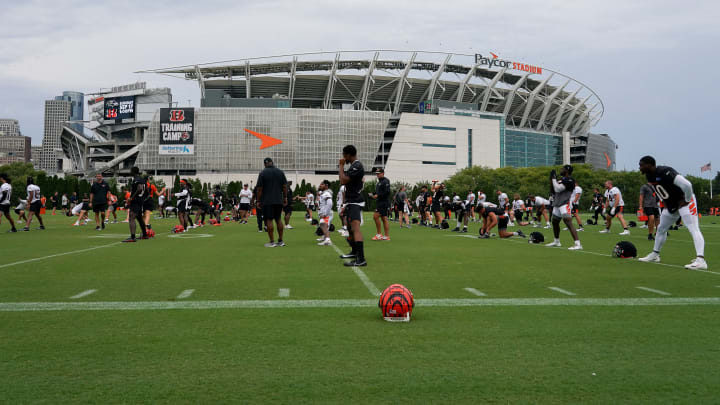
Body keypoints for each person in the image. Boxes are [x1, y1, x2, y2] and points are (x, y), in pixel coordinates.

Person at [638, 156, 707, 269]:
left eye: (641, 165)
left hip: (684, 201)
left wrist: (687, 199)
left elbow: (687, 185)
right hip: (671, 204)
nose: (640, 168)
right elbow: (660, 190)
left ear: (650, 165)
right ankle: (655, 254)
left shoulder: (665, 171)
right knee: (661, 229)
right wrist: (664, 202)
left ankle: (701, 260)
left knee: (693, 228)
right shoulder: (649, 176)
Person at [338, 145, 366, 266]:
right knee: (349, 228)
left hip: (355, 201)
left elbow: (343, 180)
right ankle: (354, 252)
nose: (344, 157)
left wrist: (341, 166)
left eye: (344, 155)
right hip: (350, 201)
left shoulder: (357, 166)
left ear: (349, 155)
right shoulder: (353, 166)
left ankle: (361, 259)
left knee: (355, 228)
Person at [544, 165, 583, 250]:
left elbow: (558, 189)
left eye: (563, 169)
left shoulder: (570, 180)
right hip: (557, 203)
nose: (561, 170)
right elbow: (553, 190)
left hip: (565, 203)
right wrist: (551, 179)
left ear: (567, 171)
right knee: (554, 222)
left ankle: (578, 244)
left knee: (568, 222)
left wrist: (554, 179)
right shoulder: (561, 180)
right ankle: (556, 241)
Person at [256, 157, 288, 247]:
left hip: (267, 200)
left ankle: (272, 241)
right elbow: (285, 186)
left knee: (269, 220)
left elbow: (259, 189)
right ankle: (281, 241)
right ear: (272, 163)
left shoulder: (262, 173)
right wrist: (285, 197)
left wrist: (258, 200)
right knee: (278, 219)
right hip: (278, 199)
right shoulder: (280, 172)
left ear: (265, 164)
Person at [123, 167, 149, 242]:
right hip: (140, 200)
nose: (130, 171)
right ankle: (144, 235)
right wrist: (143, 198)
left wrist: (132, 198)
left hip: (136, 200)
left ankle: (132, 237)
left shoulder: (137, 179)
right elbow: (147, 190)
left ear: (133, 171)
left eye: (130, 170)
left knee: (131, 217)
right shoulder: (142, 179)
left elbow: (140, 188)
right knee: (139, 218)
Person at [371, 168, 391, 241]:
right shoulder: (379, 182)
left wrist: (378, 195)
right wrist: (373, 194)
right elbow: (379, 192)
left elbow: (387, 192)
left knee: (375, 216)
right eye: (377, 173)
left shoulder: (385, 181)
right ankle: (386, 236)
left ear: (383, 173)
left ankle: (379, 234)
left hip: (383, 202)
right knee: (384, 218)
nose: (377, 174)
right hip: (380, 202)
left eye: (379, 173)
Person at [316, 180, 334, 246]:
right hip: (325, 213)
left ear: (326, 186)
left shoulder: (326, 193)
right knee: (323, 225)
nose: (320, 185)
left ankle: (328, 240)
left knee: (323, 225)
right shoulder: (324, 193)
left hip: (326, 214)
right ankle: (326, 239)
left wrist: (325, 214)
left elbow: (330, 203)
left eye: (322, 184)